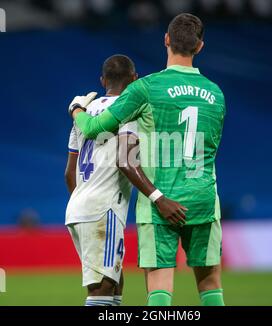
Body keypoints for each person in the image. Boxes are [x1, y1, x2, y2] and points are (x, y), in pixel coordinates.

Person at [69, 13, 226, 306]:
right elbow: (211, 149)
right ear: (200, 46)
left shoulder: (145, 88)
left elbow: (92, 129)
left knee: (159, 288)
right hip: (204, 198)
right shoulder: (216, 94)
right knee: (210, 284)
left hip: (159, 202)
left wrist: (77, 108)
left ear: (166, 40)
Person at [64, 54, 138, 306]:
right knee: (101, 290)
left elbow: (69, 173)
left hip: (77, 207)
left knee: (115, 283)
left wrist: (83, 201)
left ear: (102, 80)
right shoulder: (128, 110)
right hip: (102, 209)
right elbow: (127, 160)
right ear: (134, 79)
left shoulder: (82, 114)